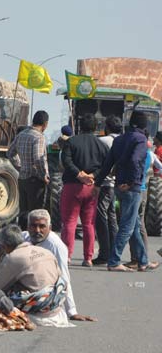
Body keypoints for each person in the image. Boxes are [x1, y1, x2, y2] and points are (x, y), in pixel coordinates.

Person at [93, 110, 157, 272]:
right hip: (132, 187)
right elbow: (136, 160)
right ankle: (114, 261)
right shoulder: (141, 139)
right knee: (128, 226)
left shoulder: (120, 139)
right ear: (144, 125)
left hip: (119, 186)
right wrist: (132, 182)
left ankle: (143, 261)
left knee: (133, 224)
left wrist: (97, 183)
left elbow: (108, 164)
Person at [0, 224, 67, 319]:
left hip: (36, 309)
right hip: (54, 306)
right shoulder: (45, 251)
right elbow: (61, 277)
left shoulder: (13, 258)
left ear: (5, 246)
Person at [59, 113, 108, 266]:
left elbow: (66, 161)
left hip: (72, 186)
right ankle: (88, 258)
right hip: (91, 187)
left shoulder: (71, 142)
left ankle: (67, 256)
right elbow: (107, 166)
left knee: (70, 222)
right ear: (96, 128)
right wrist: (92, 175)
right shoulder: (102, 145)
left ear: (80, 127)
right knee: (89, 224)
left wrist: (79, 174)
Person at [8, 110, 50, 228]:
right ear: (45, 124)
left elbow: (10, 153)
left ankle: (22, 238)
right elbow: (38, 158)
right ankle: (33, 241)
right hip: (35, 180)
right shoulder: (39, 137)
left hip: (22, 178)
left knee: (23, 212)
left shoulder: (21, 134)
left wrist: (20, 166)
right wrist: (44, 176)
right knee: (35, 214)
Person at [94, 115, 122, 265]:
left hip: (104, 183)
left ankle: (104, 253)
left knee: (101, 216)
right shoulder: (124, 142)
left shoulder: (102, 141)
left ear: (107, 128)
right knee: (111, 216)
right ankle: (112, 251)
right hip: (118, 184)